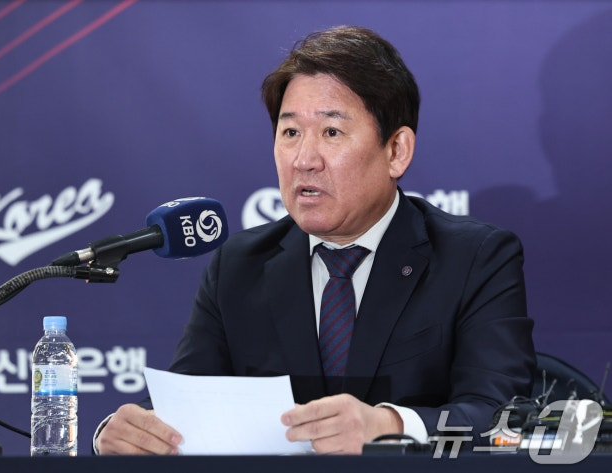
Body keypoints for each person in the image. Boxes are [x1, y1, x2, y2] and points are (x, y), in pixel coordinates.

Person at [95, 25, 536, 455]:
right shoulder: (240, 265)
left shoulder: (474, 259)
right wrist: (124, 434)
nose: (304, 160)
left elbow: (503, 420)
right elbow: (186, 409)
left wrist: (388, 427)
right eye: (290, 133)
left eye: (331, 132)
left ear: (396, 150)